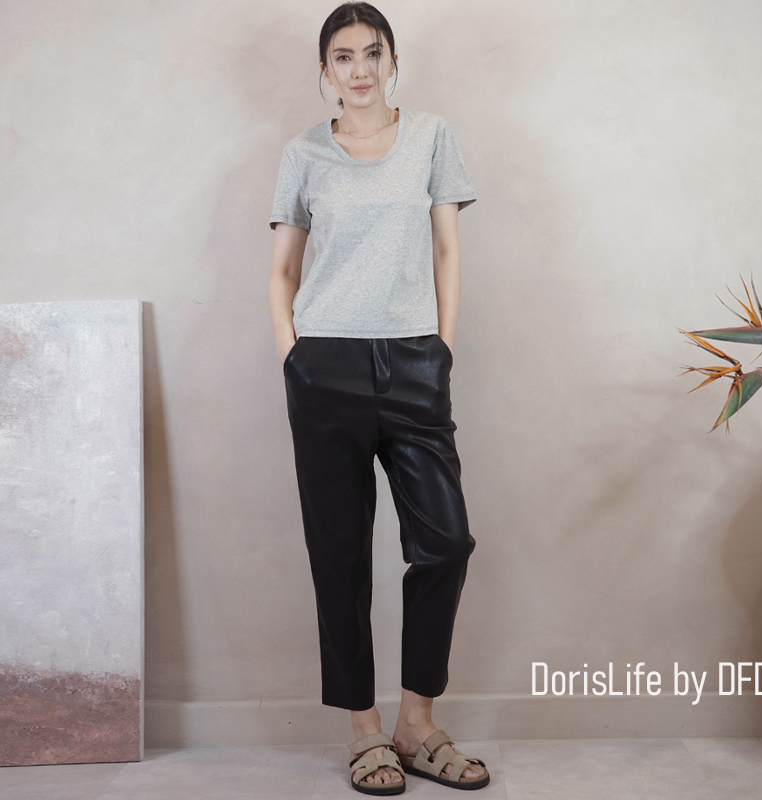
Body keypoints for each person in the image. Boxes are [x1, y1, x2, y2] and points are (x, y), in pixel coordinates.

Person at [267, 2, 489, 794]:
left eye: (372, 53)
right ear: (325, 69)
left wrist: (441, 348)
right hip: (324, 367)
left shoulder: (431, 136)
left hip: (414, 362)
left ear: (392, 59)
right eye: (343, 56)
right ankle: (365, 731)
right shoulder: (303, 154)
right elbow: (283, 271)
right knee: (339, 556)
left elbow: (447, 249)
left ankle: (416, 725)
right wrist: (295, 359)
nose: (359, 70)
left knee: (446, 542)